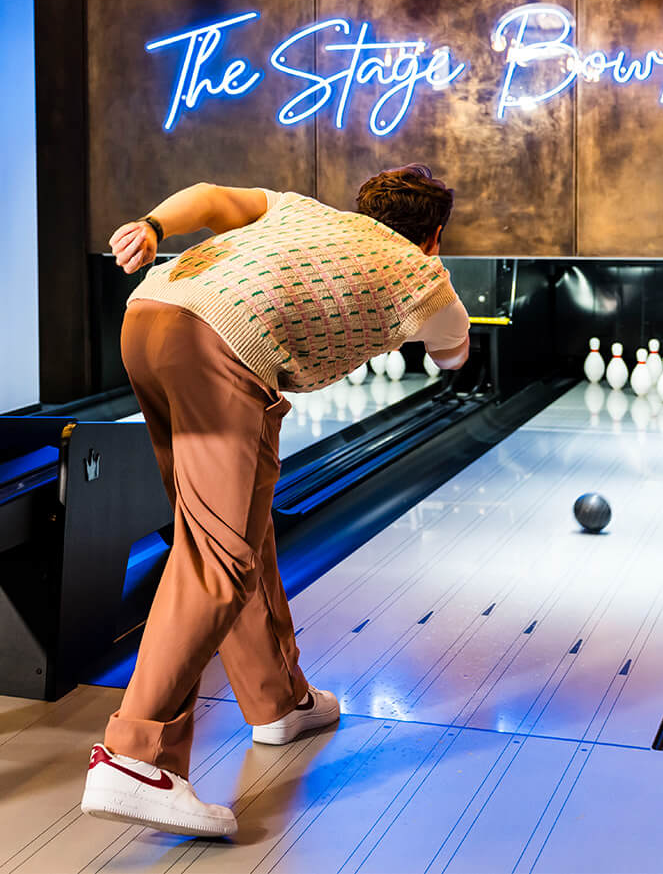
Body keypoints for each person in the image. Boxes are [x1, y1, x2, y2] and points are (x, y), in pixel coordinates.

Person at [80, 165, 472, 839]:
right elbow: (452, 355)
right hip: (219, 347)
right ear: (433, 235)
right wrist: (426, 300)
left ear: (361, 206)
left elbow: (206, 197)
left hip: (149, 314)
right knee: (218, 555)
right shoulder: (423, 274)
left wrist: (151, 227)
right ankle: (134, 757)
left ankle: (278, 700)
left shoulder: (301, 210)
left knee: (238, 526)